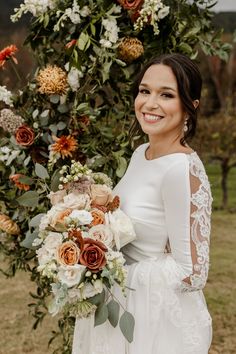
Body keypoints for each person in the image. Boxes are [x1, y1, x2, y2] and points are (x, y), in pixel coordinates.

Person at [72, 53, 213, 354]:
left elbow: (192, 273)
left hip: (150, 322)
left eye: (167, 95)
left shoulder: (179, 169)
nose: (150, 103)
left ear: (191, 106)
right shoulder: (141, 153)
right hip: (118, 308)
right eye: (145, 91)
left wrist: (112, 271)